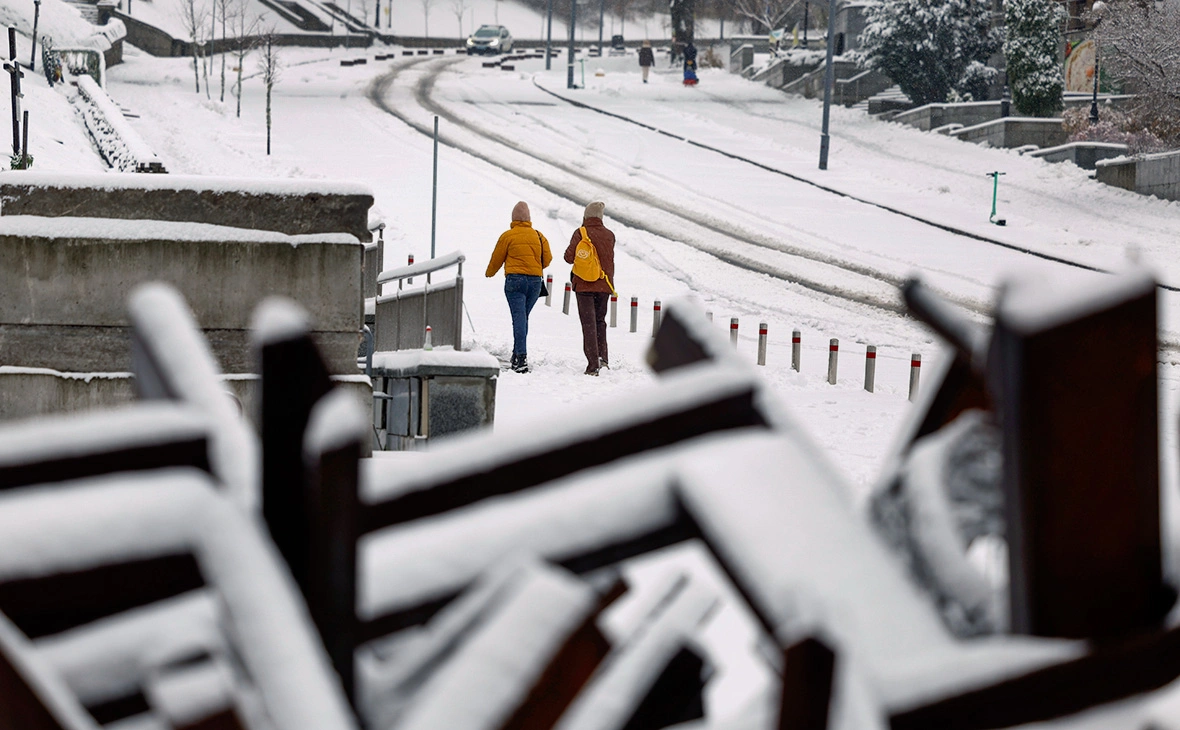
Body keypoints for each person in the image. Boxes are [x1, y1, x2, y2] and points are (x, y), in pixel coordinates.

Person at [486, 201, 552, 373]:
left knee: (519, 318)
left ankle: (521, 358)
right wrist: (535, 267)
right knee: (522, 318)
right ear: (529, 218)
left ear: (513, 218)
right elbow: (548, 259)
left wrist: (489, 273)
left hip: (515, 282)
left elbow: (496, 259)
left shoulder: (508, 236)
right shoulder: (539, 236)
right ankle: (517, 354)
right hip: (535, 283)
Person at [564, 201, 615, 376]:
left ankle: (593, 365)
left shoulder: (580, 233)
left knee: (588, 324)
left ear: (585, 216)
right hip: (604, 285)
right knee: (600, 322)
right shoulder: (610, 235)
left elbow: (569, 257)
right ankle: (604, 359)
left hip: (584, 285)